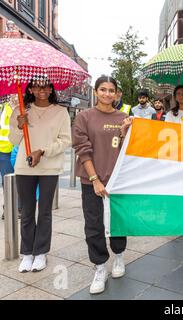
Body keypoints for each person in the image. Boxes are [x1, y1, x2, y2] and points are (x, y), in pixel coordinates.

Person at [9, 76, 71, 273]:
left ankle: (41, 252)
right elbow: (13, 139)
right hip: (24, 167)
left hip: (49, 167)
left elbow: (65, 140)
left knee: (44, 212)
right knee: (27, 212)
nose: (41, 90)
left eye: (45, 86)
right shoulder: (21, 110)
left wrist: (42, 151)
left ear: (52, 89)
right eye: (36, 86)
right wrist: (19, 126)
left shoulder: (61, 112)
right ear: (30, 89)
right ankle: (27, 253)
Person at [72, 76, 128, 294]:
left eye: (111, 90)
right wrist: (95, 179)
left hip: (118, 181)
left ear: (117, 93)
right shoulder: (84, 117)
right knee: (94, 224)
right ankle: (100, 266)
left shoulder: (124, 117)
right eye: (103, 89)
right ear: (95, 92)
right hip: (92, 180)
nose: (107, 94)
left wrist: (124, 134)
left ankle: (119, 256)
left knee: (118, 221)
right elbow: (82, 150)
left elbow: (127, 150)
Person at [0, 100, 15, 220]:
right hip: (4, 151)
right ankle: (9, 208)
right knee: (7, 182)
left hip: (11, 150)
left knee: (10, 182)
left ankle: (11, 208)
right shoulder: (3, 108)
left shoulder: (15, 108)